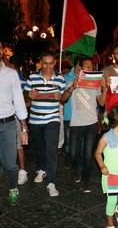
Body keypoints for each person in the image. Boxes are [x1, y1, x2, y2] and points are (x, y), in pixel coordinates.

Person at [61, 56, 108, 192]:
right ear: (80, 68)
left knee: (87, 154)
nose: (89, 68)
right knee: (73, 153)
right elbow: (63, 99)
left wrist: (104, 89)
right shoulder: (72, 81)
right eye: (86, 66)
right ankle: (76, 169)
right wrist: (72, 88)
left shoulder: (96, 84)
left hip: (91, 123)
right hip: (75, 123)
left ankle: (86, 180)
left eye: (91, 66)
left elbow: (102, 103)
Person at [24, 50, 65, 197]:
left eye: (51, 63)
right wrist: (28, 95)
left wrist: (60, 96)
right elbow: (25, 99)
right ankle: (41, 169)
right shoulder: (32, 78)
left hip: (52, 118)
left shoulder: (60, 79)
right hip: (35, 119)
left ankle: (52, 182)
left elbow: (64, 97)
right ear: (41, 62)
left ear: (55, 63)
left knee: (52, 150)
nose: (48, 66)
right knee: (39, 148)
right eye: (45, 63)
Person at [0, 41, 28, 206]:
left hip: (8, 124)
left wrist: (24, 128)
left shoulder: (11, 74)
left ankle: (12, 187)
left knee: (10, 164)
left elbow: (18, 100)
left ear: (2, 51)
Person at [62, 55, 85, 169]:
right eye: (84, 65)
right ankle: (66, 155)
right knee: (68, 142)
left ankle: (78, 163)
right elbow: (62, 96)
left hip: (82, 117)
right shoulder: (66, 77)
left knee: (80, 142)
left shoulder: (87, 78)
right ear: (78, 66)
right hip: (69, 115)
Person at [9, 55, 29, 185]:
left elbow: (27, 102)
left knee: (18, 144)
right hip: (9, 115)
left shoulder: (19, 80)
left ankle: (22, 171)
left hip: (15, 116)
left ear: (12, 65)